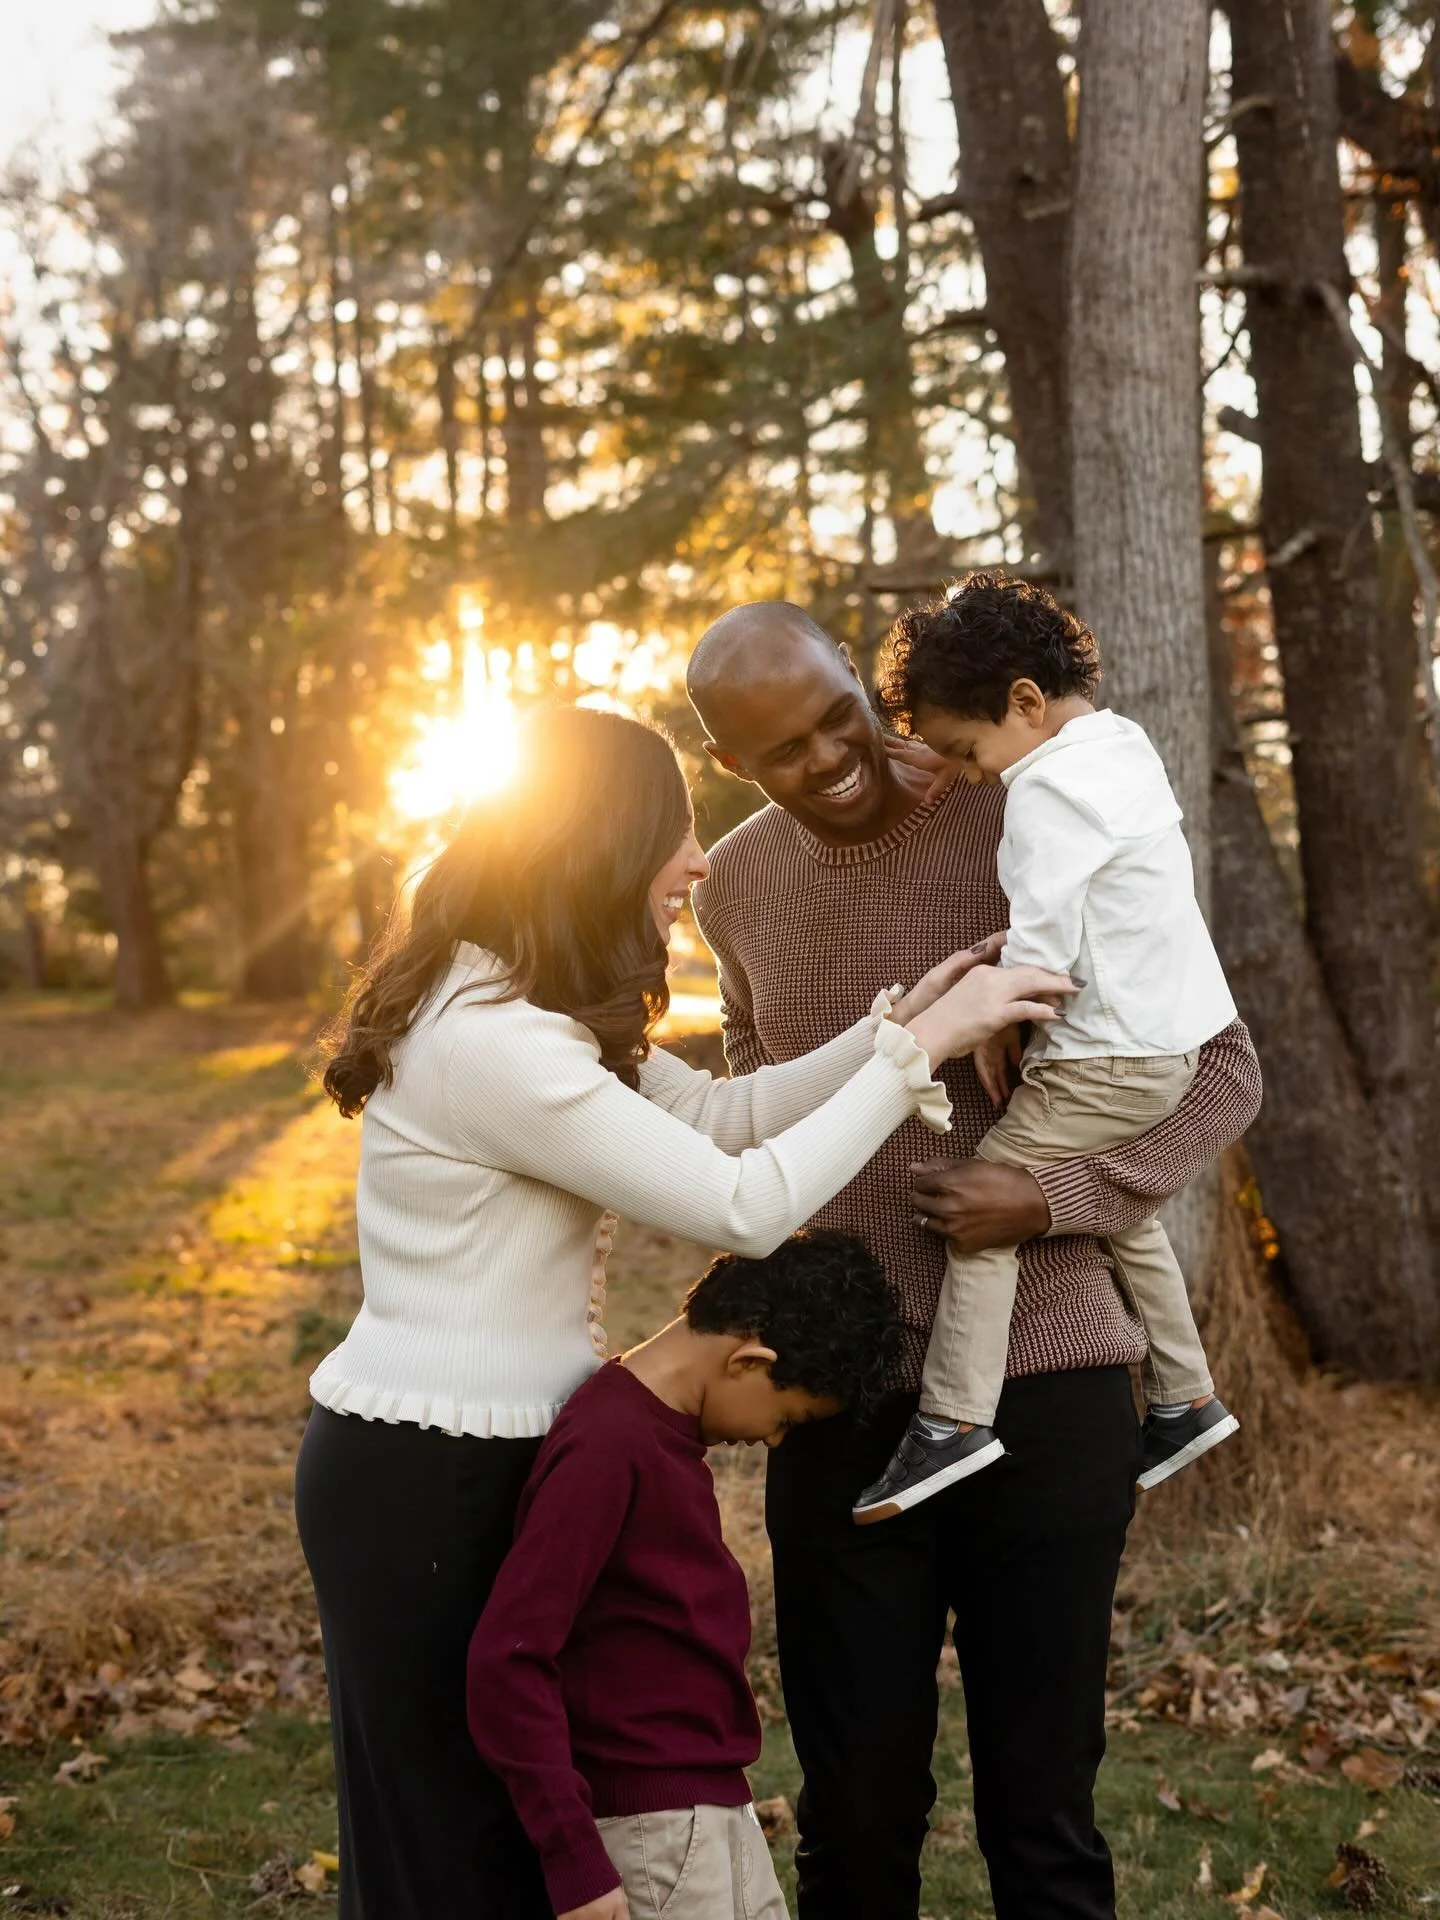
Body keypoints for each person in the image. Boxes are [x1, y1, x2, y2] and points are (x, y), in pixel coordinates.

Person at [295, 702, 1069, 1920]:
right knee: (445, 1858)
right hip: (426, 1476)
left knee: (507, 1844)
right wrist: (915, 1062)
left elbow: (719, 1116)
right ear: (597, 842)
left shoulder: (531, 1005)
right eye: (677, 832)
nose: (701, 862)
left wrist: (903, 1029)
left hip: (486, 1457)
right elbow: (743, 1203)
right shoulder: (493, 1043)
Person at [687, 603, 1263, 1920]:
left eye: (843, 715)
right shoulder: (736, 881)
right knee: (859, 1816)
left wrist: (1050, 1193)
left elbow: (1223, 1071)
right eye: (782, 750)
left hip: (1048, 1386)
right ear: (732, 765)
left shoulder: (1021, 804)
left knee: (1043, 1812)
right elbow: (749, 1091)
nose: (832, 757)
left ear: (859, 676)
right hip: (832, 1404)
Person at [853, 576, 1241, 1523]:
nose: (969, 774)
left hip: (1103, 1056)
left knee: (984, 1205)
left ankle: (952, 1421)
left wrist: (998, 1016)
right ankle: (1187, 1396)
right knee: (1120, 1213)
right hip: (1166, 1049)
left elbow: (1045, 940)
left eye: (967, 749)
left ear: (1025, 701)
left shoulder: (1045, 792)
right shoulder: (1123, 749)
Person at [468, 1230, 900, 1920]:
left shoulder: (660, 1435)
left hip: (709, 1809)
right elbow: (508, 1659)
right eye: (788, 1417)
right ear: (749, 1361)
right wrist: (572, 1858)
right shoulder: (609, 1445)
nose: (775, 1439)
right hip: (652, 1832)